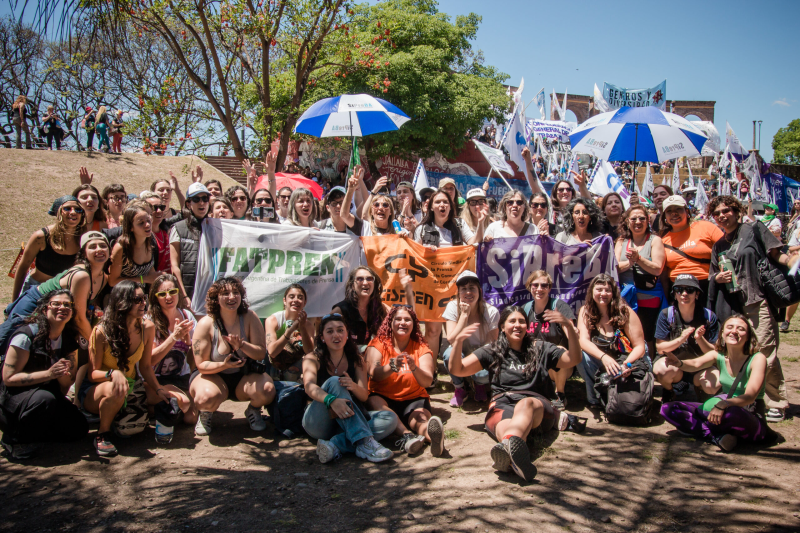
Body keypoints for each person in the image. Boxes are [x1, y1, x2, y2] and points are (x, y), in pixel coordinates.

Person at [447, 305, 581, 481]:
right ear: (502, 326)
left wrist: (569, 328)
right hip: (502, 404)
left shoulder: (541, 347)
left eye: (521, 321)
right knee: (506, 426)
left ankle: (510, 448)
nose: (517, 325)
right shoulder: (493, 350)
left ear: (527, 326)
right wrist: (457, 342)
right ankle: (511, 453)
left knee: (526, 404)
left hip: (536, 407)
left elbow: (573, 359)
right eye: (512, 321)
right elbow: (457, 369)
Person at [706, 195, 797, 423]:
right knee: (741, 353)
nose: (722, 216)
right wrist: (719, 276)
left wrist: (793, 262)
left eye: (726, 210)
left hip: (757, 301)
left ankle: (776, 402)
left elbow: (777, 252)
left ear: (737, 211)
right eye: (717, 214)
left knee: (765, 353)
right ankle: (750, 398)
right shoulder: (719, 245)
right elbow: (712, 275)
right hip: (733, 307)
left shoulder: (753, 229)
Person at [81, 282, 171, 456]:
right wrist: (113, 374)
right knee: (115, 389)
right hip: (100, 388)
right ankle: (102, 434)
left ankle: (127, 418)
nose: (143, 303)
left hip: (132, 385)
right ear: (122, 302)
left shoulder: (147, 327)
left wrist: (159, 389)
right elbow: (92, 374)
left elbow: (145, 366)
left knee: (168, 399)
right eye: (137, 299)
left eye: (143, 298)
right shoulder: (101, 331)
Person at [660, 315, 770, 452]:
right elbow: (695, 364)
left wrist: (724, 404)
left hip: (748, 414)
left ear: (748, 336)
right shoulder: (718, 354)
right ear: (722, 333)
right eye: (730, 327)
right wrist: (679, 363)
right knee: (668, 409)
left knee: (731, 414)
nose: (734, 331)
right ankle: (718, 437)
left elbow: (750, 396)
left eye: (740, 329)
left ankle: (704, 429)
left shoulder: (757, 359)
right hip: (722, 408)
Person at [0, 290, 88, 459]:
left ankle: (36, 432)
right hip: (12, 400)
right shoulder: (26, 335)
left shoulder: (69, 339)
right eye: (56, 304)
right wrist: (49, 374)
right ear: (44, 309)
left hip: (47, 397)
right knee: (44, 399)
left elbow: (65, 384)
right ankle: (14, 439)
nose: (62, 308)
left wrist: (63, 373)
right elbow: (8, 379)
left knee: (78, 428)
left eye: (67, 305)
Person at [301, 314, 396, 463]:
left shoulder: (357, 360)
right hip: (318, 422)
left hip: (345, 423)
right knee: (334, 381)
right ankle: (365, 442)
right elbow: (309, 387)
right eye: (330, 331)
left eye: (340, 330)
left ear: (347, 335)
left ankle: (334, 445)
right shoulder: (312, 358)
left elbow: (364, 396)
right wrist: (331, 400)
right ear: (322, 337)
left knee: (390, 419)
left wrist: (353, 386)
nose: (336, 335)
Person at [189, 277, 275, 436]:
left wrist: (242, 345)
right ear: (216, 298)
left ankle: (253, 410)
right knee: (205, 398)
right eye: (225, 293)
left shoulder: (250, 317)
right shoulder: (206, 323)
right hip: (212, 376)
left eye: (236, 292)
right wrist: (224, 365)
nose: (231, 297)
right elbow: (201, 365)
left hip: (243, 377)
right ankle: (205, 413)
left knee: (267, 390)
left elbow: (260, 352)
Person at [2, 231, 110, 347]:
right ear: (84, 253)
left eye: (103, 246)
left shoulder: (103, 277)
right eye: (92, 247)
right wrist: (98, 345)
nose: (99, 249)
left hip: (53, 314)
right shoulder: (81, 276)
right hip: (33, 307)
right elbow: (79, 318)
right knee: (13, 348)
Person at [414, 189, 484, 361]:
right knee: (432, 331)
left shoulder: (459, 225)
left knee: (457, 330)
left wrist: (481, 223)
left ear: (451, 206)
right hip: (433, 289)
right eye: (437, 202)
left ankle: (460, 371)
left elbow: (474, 243)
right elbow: (414, 255)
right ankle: (430, 370)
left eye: (445, 202)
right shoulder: (421, 229)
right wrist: (425, 252)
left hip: (456, 288)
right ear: (430, 207)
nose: (442, 205)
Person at [366, 306, 444, 457]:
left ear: (414, 324)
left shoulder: (421, 348)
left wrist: (414, 367)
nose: (403, 323)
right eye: (398, 319)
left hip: (413, 398)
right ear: (390, 322)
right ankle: (407, 435)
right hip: (382, 398)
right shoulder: (378, 344)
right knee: (375, 402)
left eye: (407, 320)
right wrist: (392, 366)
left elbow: (427, 381)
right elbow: (374, 374)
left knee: (420, 420)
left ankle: (433, 437)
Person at [577, 274, 647, 407]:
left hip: (625, 362)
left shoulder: (625, 312)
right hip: (602, 361)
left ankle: (618, 399)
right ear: (592, 291)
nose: (603, 293)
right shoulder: (585, 311)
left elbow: (640, 346)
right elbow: (583, 341)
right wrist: (603, 357)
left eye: (607, 290)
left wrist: (627, 364)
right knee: (581, 356)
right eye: (599, 289)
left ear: (613, 293)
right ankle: (595, 399)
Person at [145, 274, 198, 443]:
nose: (168, 297)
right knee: (178, 401)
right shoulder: (149, 321)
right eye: (162, 294)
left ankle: (159, 410)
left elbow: (194, 351)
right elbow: (151, 360)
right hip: (155, 379)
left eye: (172, 291)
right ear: (155, 297)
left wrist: (188, 342)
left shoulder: (187, 315)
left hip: (179, 377)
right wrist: (173, 337)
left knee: (190, 418)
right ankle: (165, 418)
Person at [653, 274, 719, 402]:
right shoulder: (667, 314)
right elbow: (660, 348)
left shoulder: (709, 316)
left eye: (689, 290)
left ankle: (699, 389)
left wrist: (700, 339)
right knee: (661, 369)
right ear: (675, 294)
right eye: (679, 290)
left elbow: (715, 353)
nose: (684, 294)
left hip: (700, 366)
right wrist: (681, 339)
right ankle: (669, 390)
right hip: (675, 366)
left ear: (697, 294)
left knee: (714, 384)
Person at [11, 195, 87, 302]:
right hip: (35, 290)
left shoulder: (84, 239)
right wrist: (14, 301)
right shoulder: (41, 237)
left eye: (78, 209)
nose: (73, 212)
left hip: (64, 294)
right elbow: (23, 268)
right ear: (58, 212)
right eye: (67, 208)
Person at [522, 271, 578, 410]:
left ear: (549, 288)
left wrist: (570, 328)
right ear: (530, 287)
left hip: (560, 364)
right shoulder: (526, 308)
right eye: (535, 285)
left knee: (559, 351)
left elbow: (571, 333)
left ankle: (560, 395)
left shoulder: (558, 306)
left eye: (544, 285)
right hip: (535, 361)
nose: (539, 289)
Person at [442, 271, 499, 406]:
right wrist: (464, 316)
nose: (468, 292)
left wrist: (474, 358)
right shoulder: (452, 306)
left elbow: (493, 344)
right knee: (448, 354)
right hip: (460, 349)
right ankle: (460, 388)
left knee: (482, 375)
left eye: (472, 288)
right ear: (458, 293)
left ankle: (479, 385)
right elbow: (451, 339)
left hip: (481, 351)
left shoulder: (491, 311)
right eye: (464, 289)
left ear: (479, 291)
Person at [615, 204, 667, 352]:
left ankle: (648, 368)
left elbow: (657, 269)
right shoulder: (621, 241)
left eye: (642, 218)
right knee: (625, 333)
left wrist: (639, 259)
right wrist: (630, 262)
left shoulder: (655, 240)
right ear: (627, 222)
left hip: (649, 295)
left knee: (646, 335)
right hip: (625, 296)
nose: (638, 221)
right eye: (634, 218)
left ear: (648, 221)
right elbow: (615, 266)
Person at [659, 195, 723, 297]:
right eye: (669, 211)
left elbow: (726, 251)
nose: (674, 213)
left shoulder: (706, 227)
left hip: (708, 287)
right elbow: (664, 275)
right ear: (665, 217)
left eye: (678, 209)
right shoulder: (662, 241)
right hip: (678, 290)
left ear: (687, 211)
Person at [170, 183, 210, 305]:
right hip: (187, 292)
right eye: (196, 199)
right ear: (188, 204)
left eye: (205, 199)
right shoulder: (178, 228)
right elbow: (174, 266)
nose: (201, 203)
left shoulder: (216, 227)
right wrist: (183, 296)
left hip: (210, 292)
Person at [265, 284, 316, 380]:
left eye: (300, 298)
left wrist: (303, 328)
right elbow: (272, 352)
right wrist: (290, 330)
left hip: (295, 366)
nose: (295, 300)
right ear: (285, 301)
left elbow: (309, 352)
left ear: (304, 302)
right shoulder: (273, 320)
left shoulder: (308, 325)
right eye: (291, 297)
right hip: (273, 365)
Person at [109, 203, 160, 286]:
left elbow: (150, 272)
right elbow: (113, 281)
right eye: (141, 223)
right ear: (130, 227)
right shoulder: (121, 248)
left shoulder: (150, 240)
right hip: (124, 295)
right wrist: (143, 279)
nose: (147, 225)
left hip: (142, 296)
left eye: (148, 220)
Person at [340, 169, 398, 236]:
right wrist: (350, 190)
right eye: (376, 205)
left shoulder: (397, 231)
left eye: (385, 205)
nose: (381, 208)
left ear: (391, 211)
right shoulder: (364, 228)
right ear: (371, 211)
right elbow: (344, 215)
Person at [140, 192, 174, 273]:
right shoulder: (142, 236)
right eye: (154, 208)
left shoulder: (168, 230)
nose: (159, 211)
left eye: (161, 207)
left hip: (170, 282)